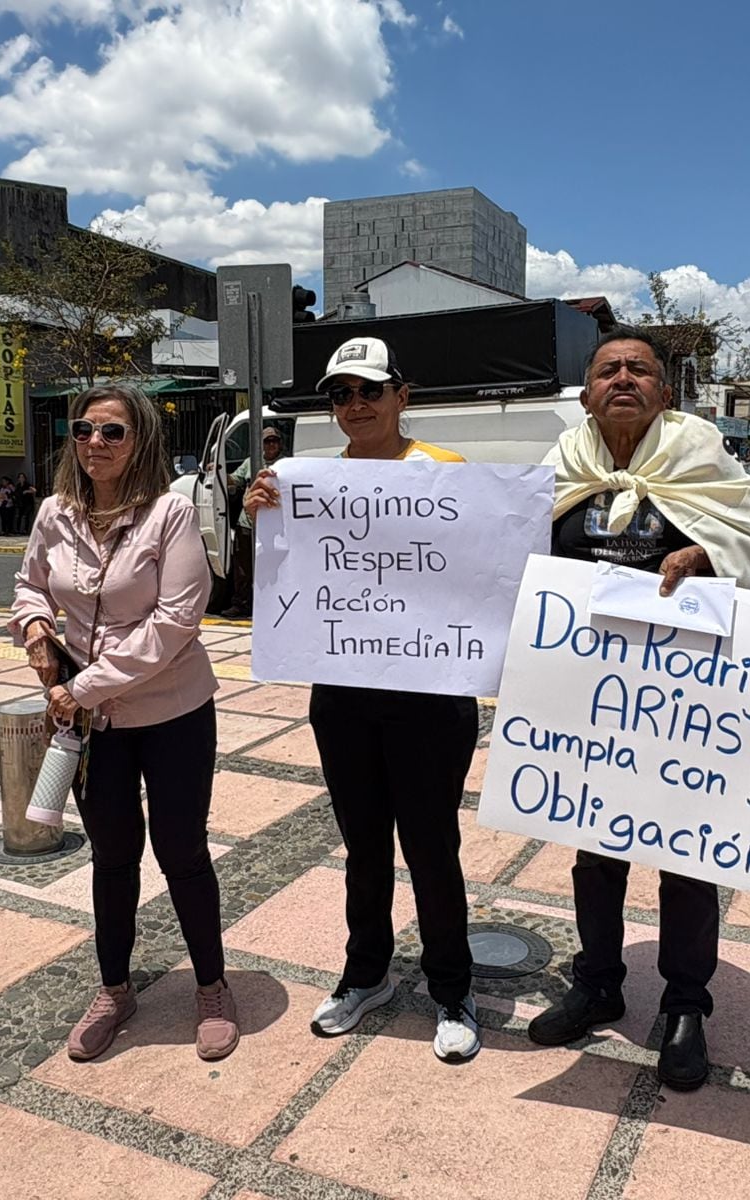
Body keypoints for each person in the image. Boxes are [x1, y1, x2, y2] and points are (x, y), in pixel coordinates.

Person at [521, 326, 750, 1093]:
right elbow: (506, 547)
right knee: (593, 854)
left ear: (665, 393)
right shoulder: (561, 464)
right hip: (590, 708)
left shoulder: (700, 455)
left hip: (684, 709)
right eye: (609, 370)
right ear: (585, 393)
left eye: (640, 369)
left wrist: (709, 552)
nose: (625, 378)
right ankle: (598, 983)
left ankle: (685, 1006)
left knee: (686, 861)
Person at [243, 336, 483, 1063]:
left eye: (369, 391)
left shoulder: (446, 471)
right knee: (363, 847)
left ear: (401, 396)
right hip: (344, 694)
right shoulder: (305, 481)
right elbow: (285, 578)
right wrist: (264, 517)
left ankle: (452, 989)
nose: (354, 405)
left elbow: (480, 569)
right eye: (341, 394)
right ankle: (366, 974)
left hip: (431, 697)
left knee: (432, 847)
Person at [12, 383, 237, 1064]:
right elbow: (29, 582)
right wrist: (35, 625)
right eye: (83, 430)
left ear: (140, 440)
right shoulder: (55, 512)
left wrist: (81, 685)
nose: (95, 444)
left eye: (113, 432)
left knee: (181, 850)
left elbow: (175, 623)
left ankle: (212, 986)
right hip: (92, 724)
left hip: (171, 712)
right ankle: (115, 989)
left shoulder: (169, 515)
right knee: (112, 856)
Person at [223, 424, 286, 619]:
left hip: (274, 525)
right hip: (247, 522)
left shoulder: (286, 464)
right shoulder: (251, 463)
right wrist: (219, 473)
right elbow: (236, 480)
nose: (271, 444)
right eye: (267, 441)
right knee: (243, 567)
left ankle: (272, 603)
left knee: (273, 566)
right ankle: (241, 604)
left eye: (275, 440)